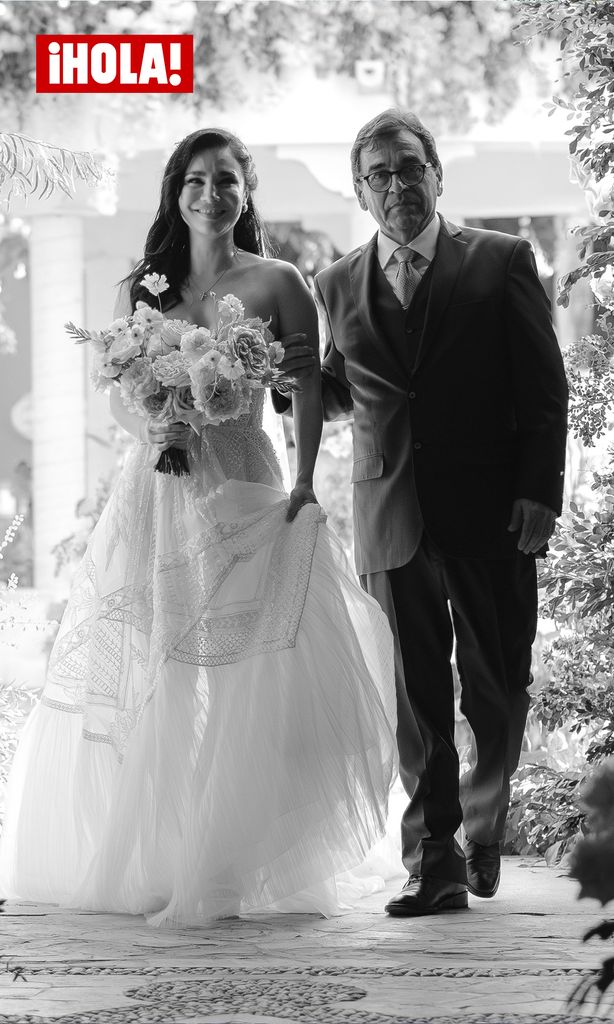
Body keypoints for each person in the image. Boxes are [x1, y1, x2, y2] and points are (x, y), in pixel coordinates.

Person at [0, 128, 397, 925]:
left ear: (247, 190)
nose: (210, 193)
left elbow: (308, 392)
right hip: (159, 487)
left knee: (251, 666)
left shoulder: (282, 280)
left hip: (248, 482)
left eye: (225, 180)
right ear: (174, 191)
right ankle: (161, 855)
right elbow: (113, 387)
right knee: (161, 667)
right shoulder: (142, 288)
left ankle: (234, 859)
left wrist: (310, 484)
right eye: (194, 180)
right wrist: (154, 425)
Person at [275, 108, 569, 916]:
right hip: (390, 511)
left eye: (410, 168)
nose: (397, 185)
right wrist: (282, 377)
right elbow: (343, 389)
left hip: (492, 513)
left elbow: (545, 390)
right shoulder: (336, 283)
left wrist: (540, 492)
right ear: (362, 191)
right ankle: (432, 859)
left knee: (497, 687)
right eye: (380, 175)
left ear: (438, 174)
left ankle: (481, 827)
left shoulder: (502, 260)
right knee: (414, 698)